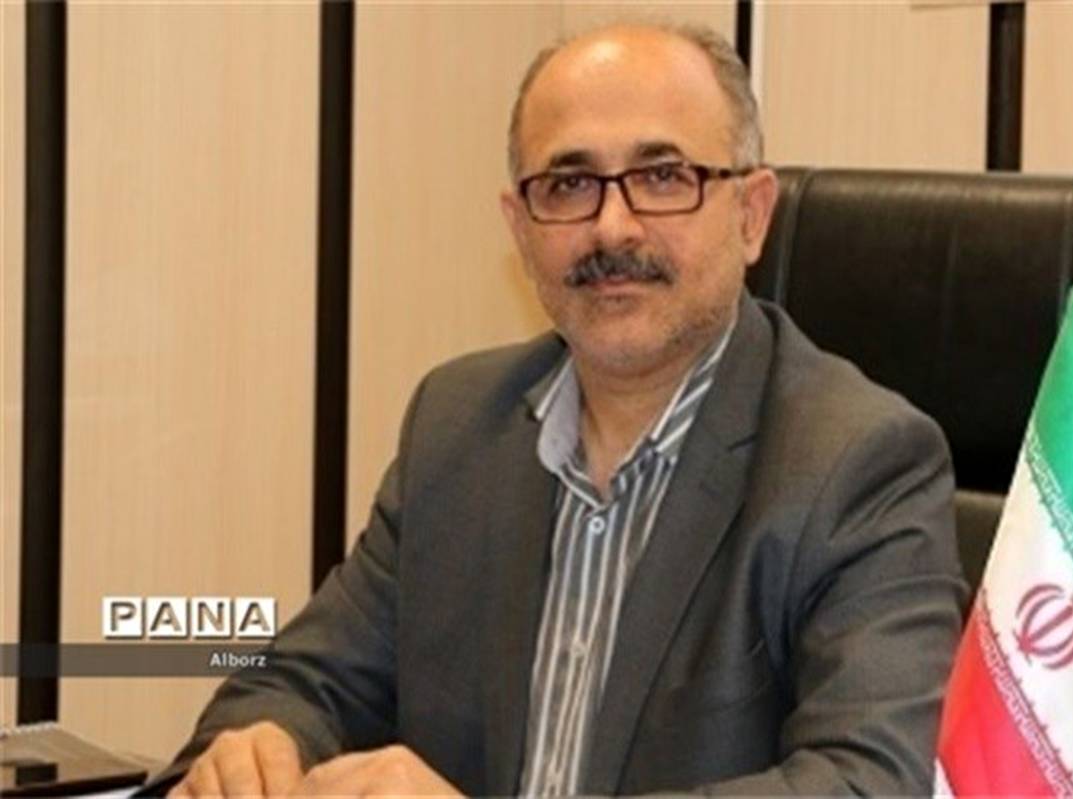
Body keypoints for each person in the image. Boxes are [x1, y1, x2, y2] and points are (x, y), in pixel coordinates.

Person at [156, 22, 965, 797]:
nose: (612, 227)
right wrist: (262, 746)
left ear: (751, 216)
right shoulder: (456, 425)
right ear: (519, 227)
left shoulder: (859, 462)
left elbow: (868, 782)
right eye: (569, 185)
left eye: (662, 176)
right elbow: (304, 681)